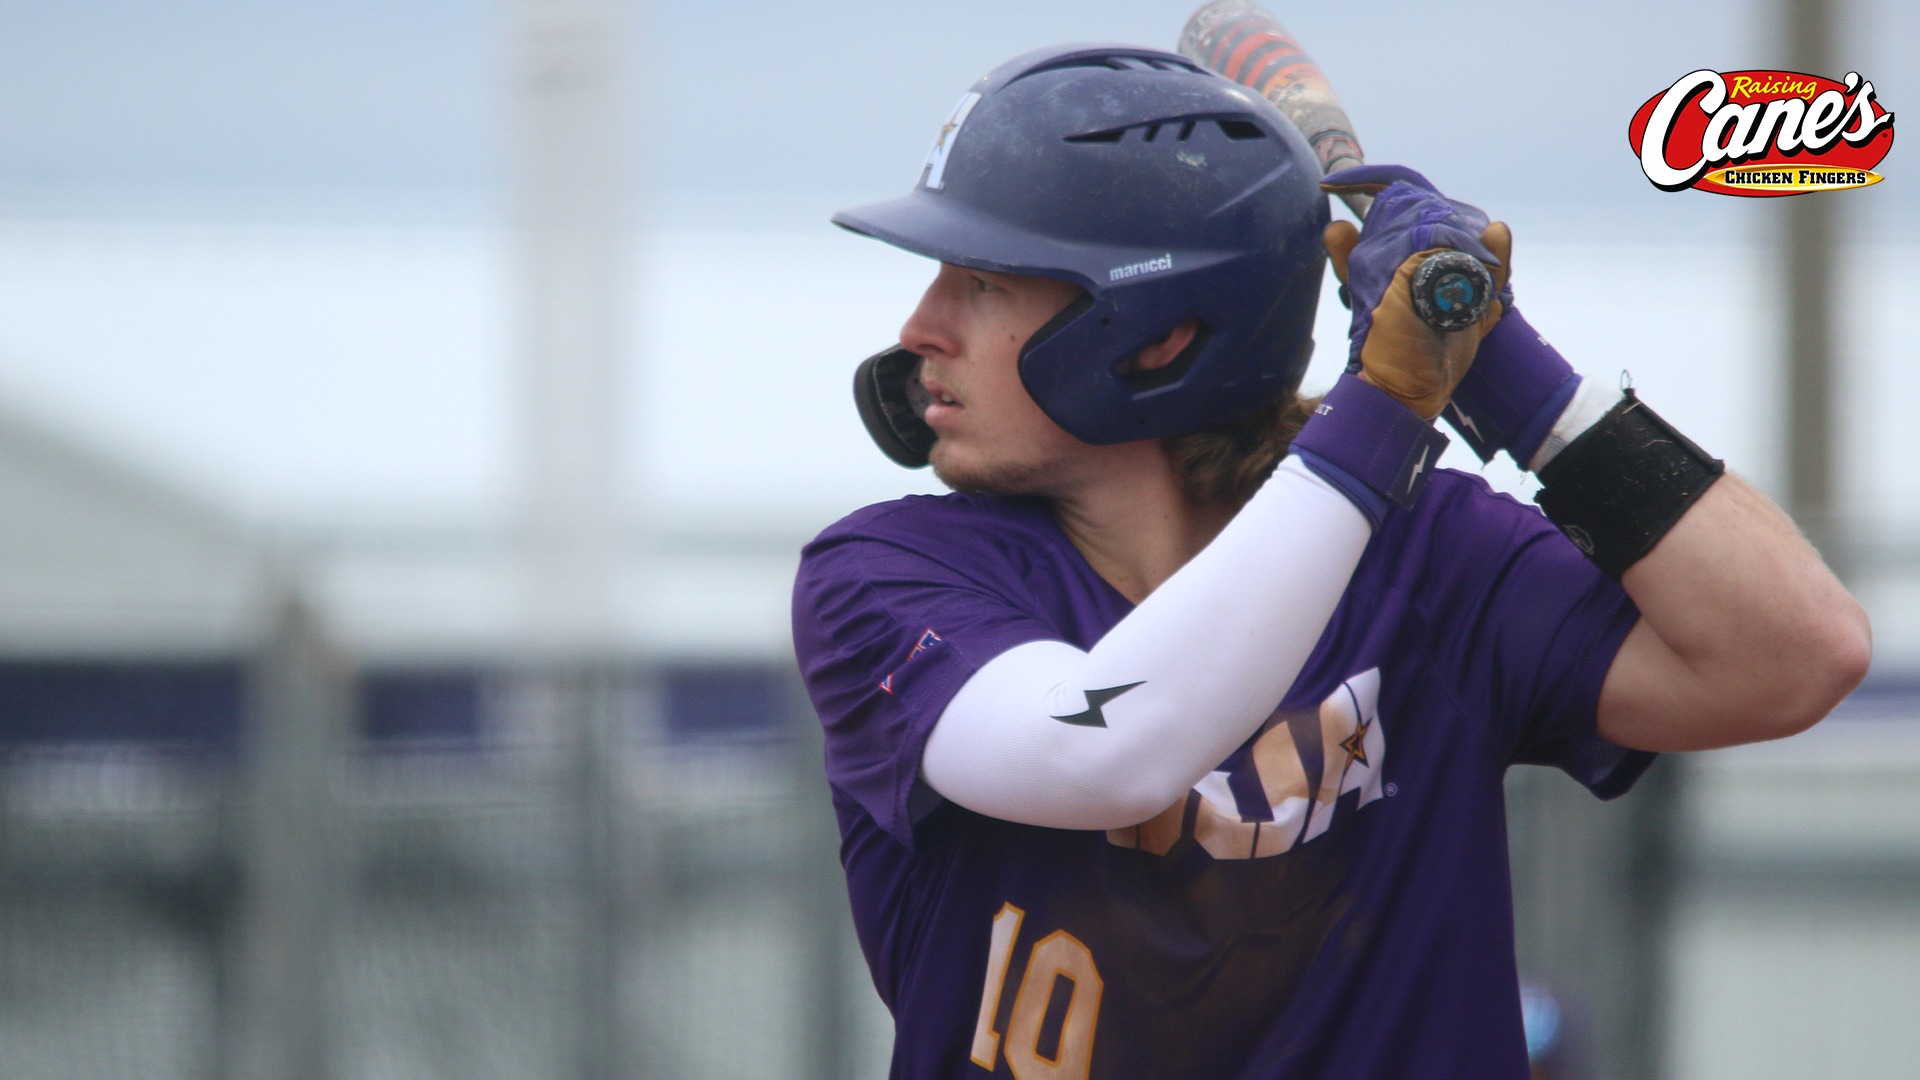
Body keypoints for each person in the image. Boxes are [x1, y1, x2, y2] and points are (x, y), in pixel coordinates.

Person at [791, 43, 1869, 1078]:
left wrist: (1509, 371)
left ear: (1156, 335)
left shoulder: (1431, 556)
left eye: (982, 283)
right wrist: (1390, 402)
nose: (920, 326)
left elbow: (1795, 654)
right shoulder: (887, 576)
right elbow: (1105, 745)